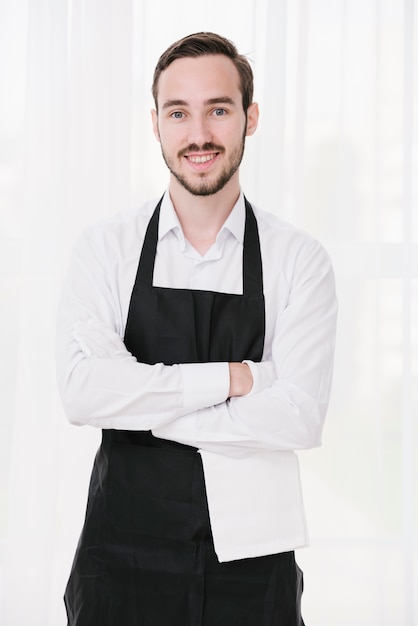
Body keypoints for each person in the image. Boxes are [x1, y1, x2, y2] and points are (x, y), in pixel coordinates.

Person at [56, 31, 337, 626]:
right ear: (155, 124)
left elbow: (299, 416)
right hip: (121, 552)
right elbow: (83, 395)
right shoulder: (105, 248)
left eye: (219, 109)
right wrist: (234, 378)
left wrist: (138, 396)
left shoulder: (298, 259)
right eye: (178, 112)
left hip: (253, 560)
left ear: (249, 118)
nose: (199, 133)